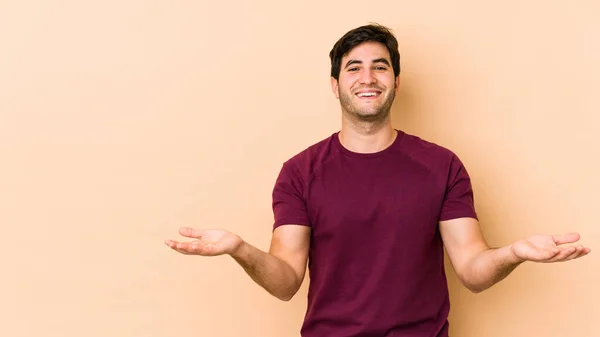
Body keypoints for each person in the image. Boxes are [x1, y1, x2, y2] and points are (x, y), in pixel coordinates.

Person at [165, 23, 591, 337]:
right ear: (336, 85)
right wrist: (238, 248)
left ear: (396, 81)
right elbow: (286, 280)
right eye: (354, 69)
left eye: (379, 67)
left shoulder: (441, 166)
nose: (367, 78)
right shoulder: (300, 172)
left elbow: (472, 270)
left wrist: (514, 252)